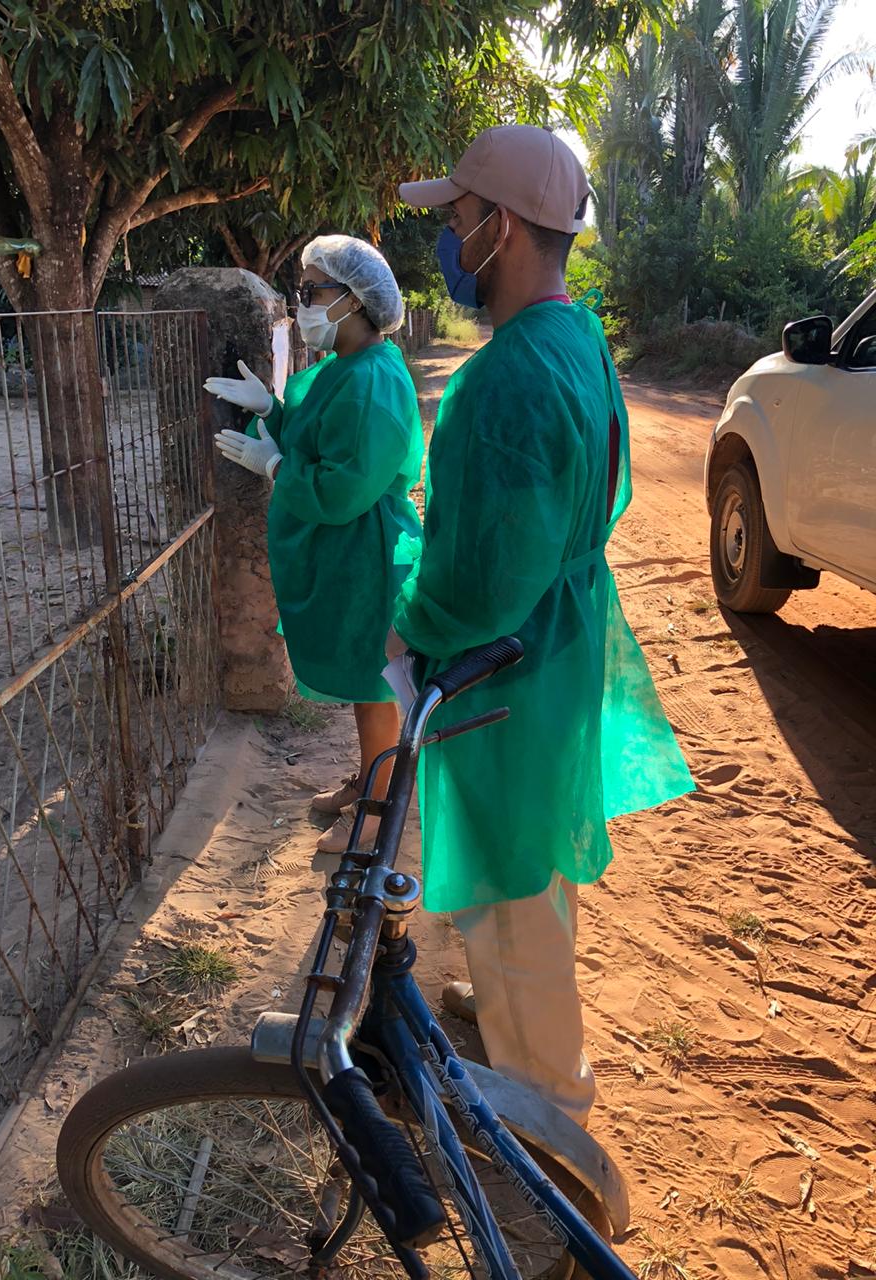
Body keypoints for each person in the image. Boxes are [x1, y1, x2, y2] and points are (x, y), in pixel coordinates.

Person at [389, 125, 694, 1127]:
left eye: (455, 218)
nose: (447, 235)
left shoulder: (504, 380)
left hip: (505, 671)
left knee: (515, 893)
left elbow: (480, 583)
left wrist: (409, 625)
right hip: (560, 646)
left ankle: (555, 1130)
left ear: (500, 227)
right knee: (538, 879)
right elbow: (600, 501)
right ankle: (512, 1019)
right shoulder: (577, 334)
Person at [206, 235, 423, 854]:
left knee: (376, 684)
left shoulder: (376, 379)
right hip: (344, 553)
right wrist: (270, 411)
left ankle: (383, 811)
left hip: (367, 551)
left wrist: (276, 468)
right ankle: (367, 780)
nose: (301, 304)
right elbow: (312, 433)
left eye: (312, 292)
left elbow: (347, 485)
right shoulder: (342, 370)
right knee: (362, 681)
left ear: (354, 300)